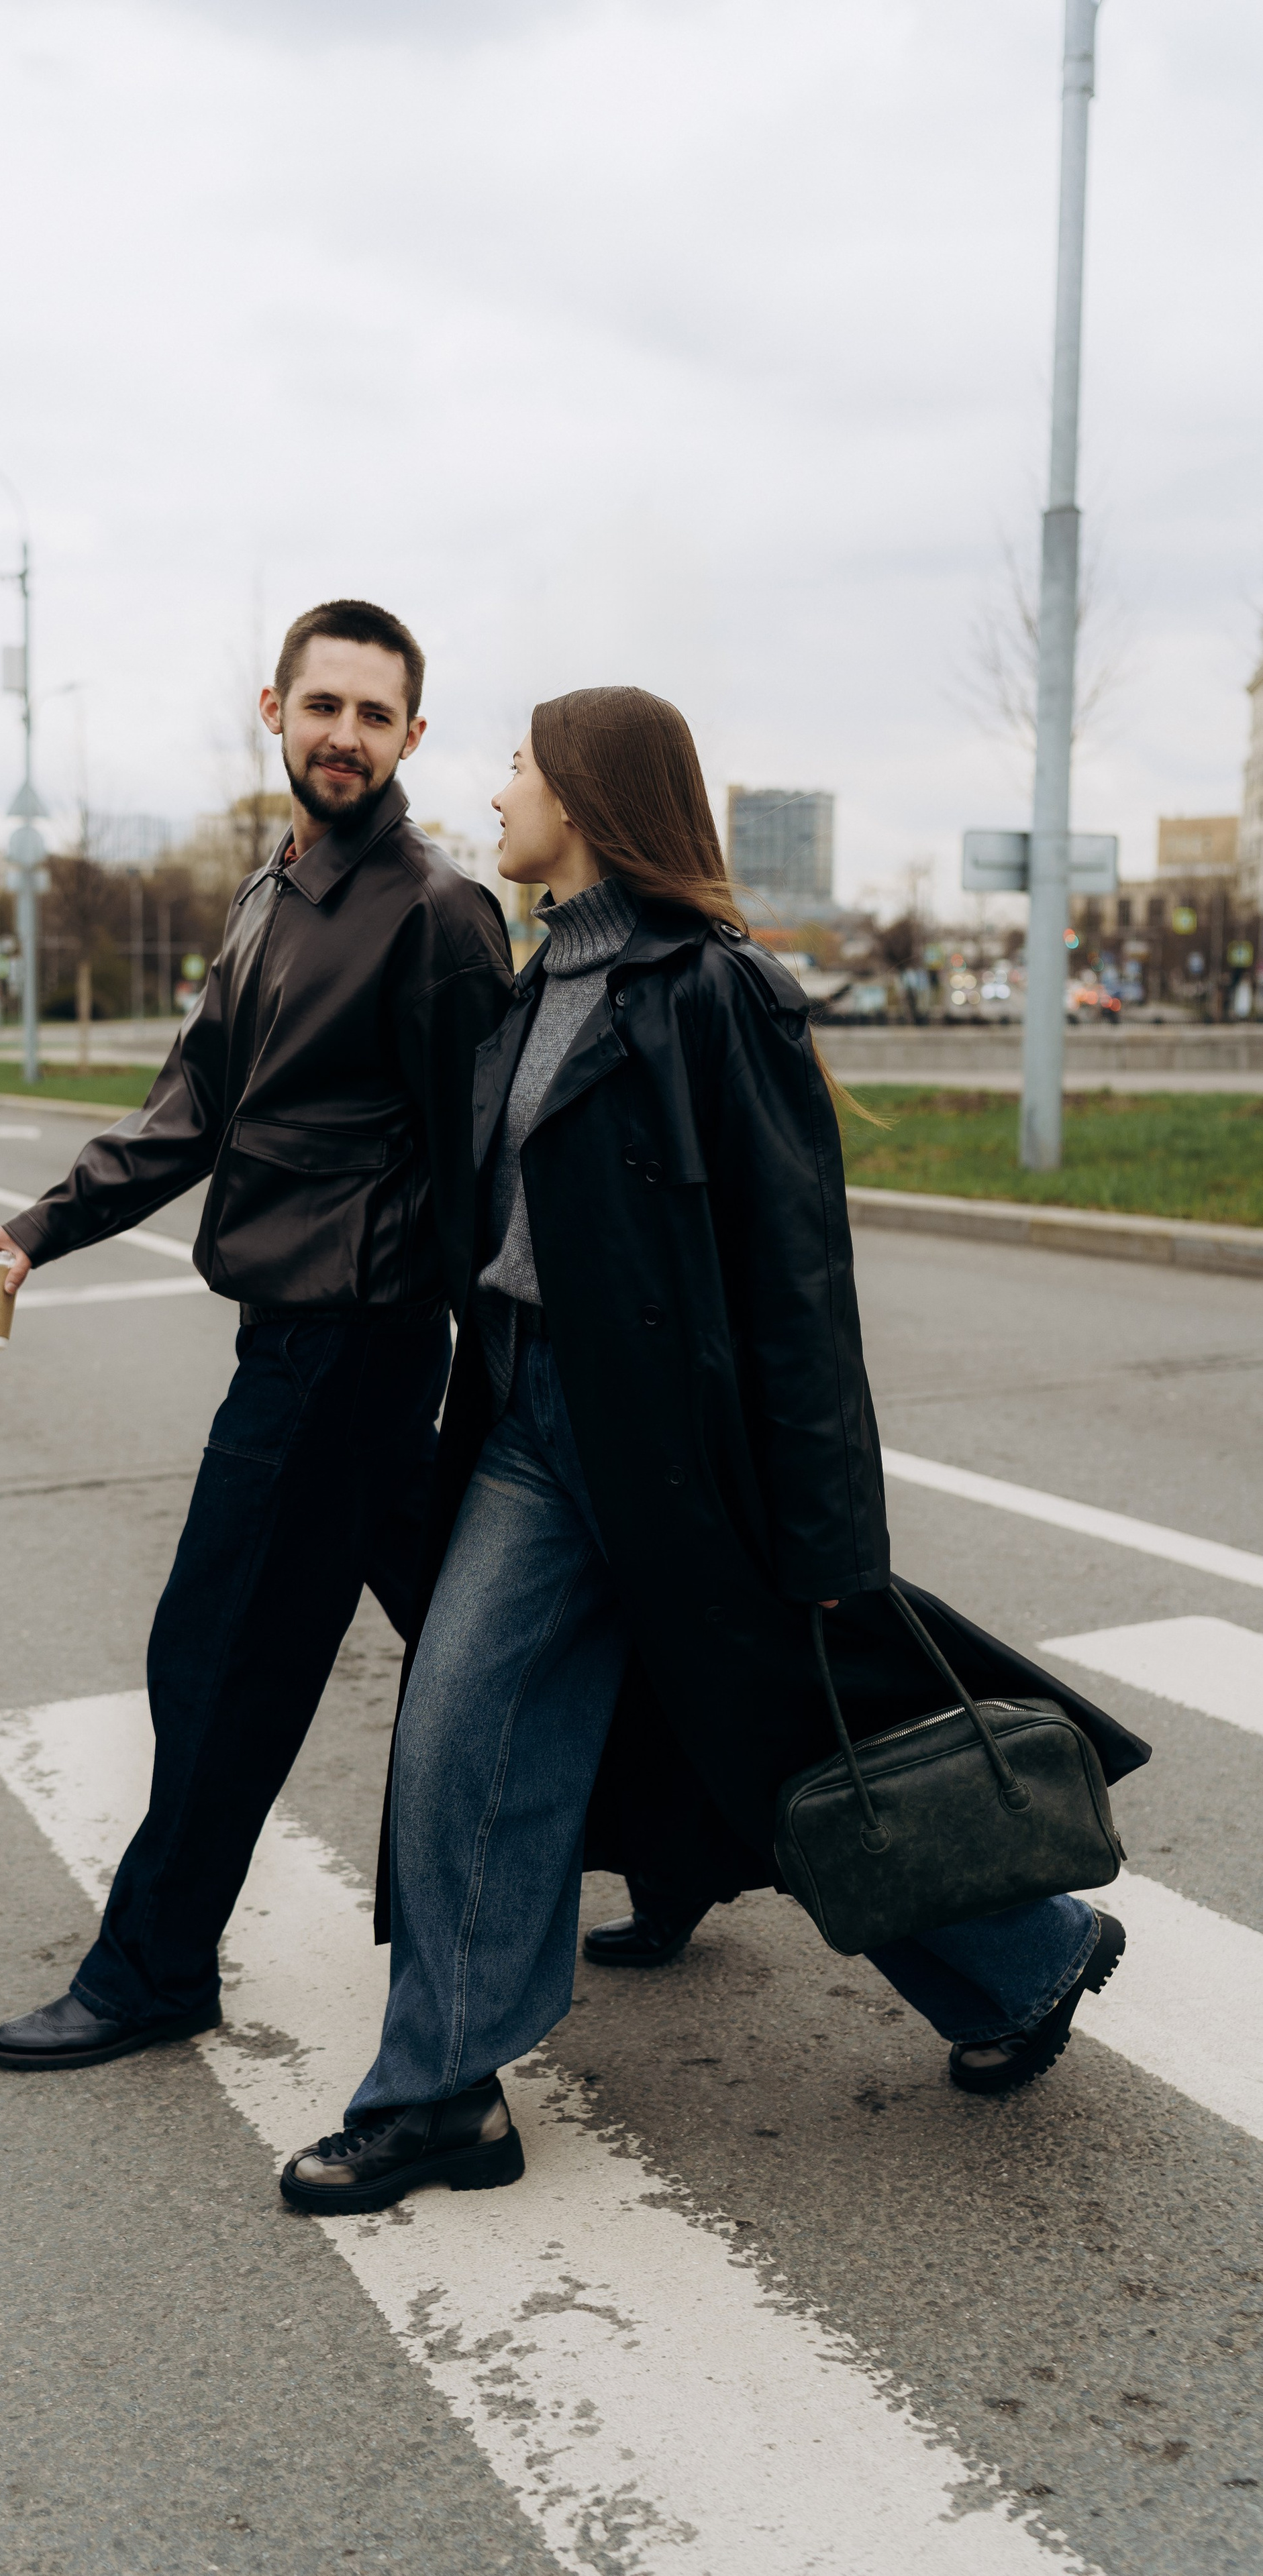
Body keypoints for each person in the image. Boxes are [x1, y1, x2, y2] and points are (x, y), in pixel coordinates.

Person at [279, 686, 1149, 2216]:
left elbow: (796, 1280)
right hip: (539, 1430)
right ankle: (444, 2094)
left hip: (680, 1456)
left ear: (591, 803)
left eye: (519, 771)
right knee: (463, 1732)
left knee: (797, 1748)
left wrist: (826, 1535)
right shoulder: (536, 977)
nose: (494, 795)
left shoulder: (713, 993)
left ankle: (1024, 1952)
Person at [0, 600, 515, 2074]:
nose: (342, 736)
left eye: (372, 715)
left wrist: (495, 1376)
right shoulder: (273, 893)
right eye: (321, 706)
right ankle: (678, 1848)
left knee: (220, 1660)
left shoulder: (439, 914)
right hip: (300, 1336)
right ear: (274, 708)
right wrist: (30, 1232)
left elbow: (480, 1176)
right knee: (496, 1635)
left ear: (410, 736)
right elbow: (187, 1113)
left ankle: (152, 1967)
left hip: (349, 1354)